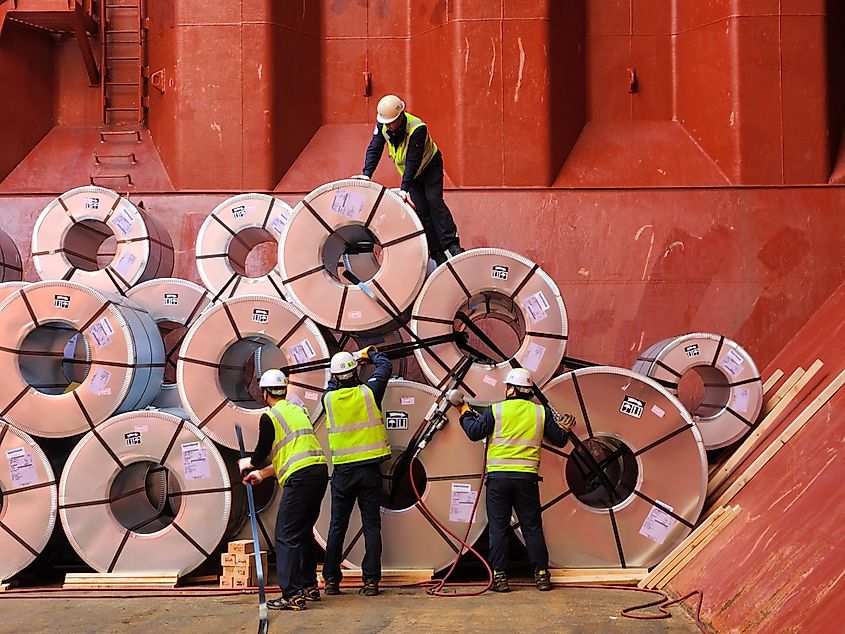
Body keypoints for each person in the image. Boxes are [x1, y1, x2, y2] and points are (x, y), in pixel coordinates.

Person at [457, 367, 576, 593]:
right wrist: (565, 429)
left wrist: (463, 410)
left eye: (508, 386)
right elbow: (559, 440)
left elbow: (474, 432)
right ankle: (542, 576)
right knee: (532, 527)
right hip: (527, 479)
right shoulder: (541, 413)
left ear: (512, 390)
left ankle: (500, 577)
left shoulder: (496, 410)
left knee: (499, 528)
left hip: (499, 479)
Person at [239, 369, 328, 611]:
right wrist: (261, 474)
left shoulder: (270, 417)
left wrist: (249, 464)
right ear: (284, 390)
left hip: (300, 479)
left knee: (285, 535)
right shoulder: (298, 411)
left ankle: (292, 594)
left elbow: (261, 452)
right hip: (318, 473)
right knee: (302, 531)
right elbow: (291, 455)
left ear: (264, 393)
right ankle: (308, 586)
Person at [351, 94, 464, 266]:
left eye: (391, 122)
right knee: (422, 211)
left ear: (400, 116)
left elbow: (413, 161)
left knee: (434, 200)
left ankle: (452, 245)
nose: (388, 125)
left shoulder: (417, 128)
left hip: (429, 167)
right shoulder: (383, 125)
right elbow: (375, 148)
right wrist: (367, 173)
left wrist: (403, 188)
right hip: (412, 175)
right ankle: (437, 253)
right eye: (386, 122)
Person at [321, 345, 392, 597]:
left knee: (337, 526)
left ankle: (331, 580)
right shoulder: (369, 392)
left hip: (343, 472)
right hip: (369, 470)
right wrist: (368, 353)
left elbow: (332, 383)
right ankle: (371, 581)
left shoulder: (328, 399)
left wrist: (345, 364)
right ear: (355, 372)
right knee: (371, 526)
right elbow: (385, 366)